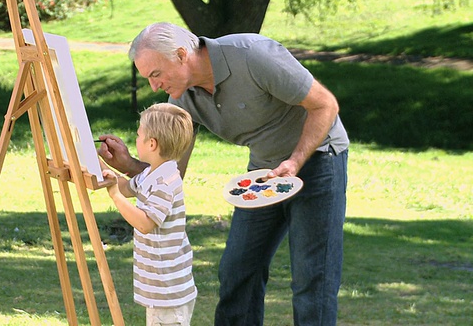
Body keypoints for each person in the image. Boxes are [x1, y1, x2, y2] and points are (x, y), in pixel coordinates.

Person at [97, 22, 349, 326]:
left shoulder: (252, 55)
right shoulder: (183, 99)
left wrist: (295, 162)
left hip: (319, 158)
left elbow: (325, 105)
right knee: (237, 269)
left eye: (156, 74)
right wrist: (126, 164)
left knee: (313, 277)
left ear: (180, 55)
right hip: (265, 171)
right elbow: (171, 173)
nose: (154, 86)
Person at [100, 102, 198, 326]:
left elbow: (145, 223)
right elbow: (126, 186)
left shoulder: (165, 181)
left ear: (152, 143)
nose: (135, 139)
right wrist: (94, 164)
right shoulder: (151, 174)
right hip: (162, 290)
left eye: (138, 135)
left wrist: (115, 196)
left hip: (168, 292)